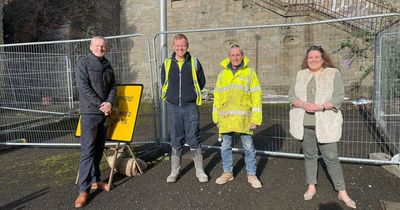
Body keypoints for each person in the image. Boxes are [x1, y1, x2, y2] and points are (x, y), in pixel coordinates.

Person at [288, 45, 356, 209]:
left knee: (331, 158)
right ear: (306, 59)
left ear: (323, 59)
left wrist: (322, 107)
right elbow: (292, 96)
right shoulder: (300, 74)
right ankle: (311, 185)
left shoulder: (333, 73)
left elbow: (339, 97)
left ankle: (342, 191)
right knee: (310, 156)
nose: (313, 60)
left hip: (326, 124)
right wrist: (303, 104)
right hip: (304, 124)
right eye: (310, 57)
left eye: (316, 57)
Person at [212, 44, 263, 189]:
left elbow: (256, 96)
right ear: (229, 57)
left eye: (238, 55)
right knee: (225, 147)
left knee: (248, 147)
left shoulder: (250, 73)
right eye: (232, 55)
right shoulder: (222, 75)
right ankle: (228, 172)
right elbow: (217, 97)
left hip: (244, 119)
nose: (235, 57)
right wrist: (216, 118)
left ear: (242, 56)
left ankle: (252, 175)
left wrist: (256, 118)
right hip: (226, 119)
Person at [74, 36, 116, 208]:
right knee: (87, 152)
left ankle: (95, 180)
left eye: (103, 46)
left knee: (99, 149)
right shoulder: (83, 63)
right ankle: (83, 191)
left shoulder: (107, 64)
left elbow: (113, 86)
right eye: (97, 45)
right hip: (90, 113)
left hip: (104, 114)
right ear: (91, 47)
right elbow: (84, 88)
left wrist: (110, 103)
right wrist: (101, 104)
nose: (100, 48)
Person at [161, 34, 208, 183]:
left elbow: (201, 81)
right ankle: (174, 171)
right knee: (176, 138)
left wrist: (191, 95)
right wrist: (172, 96)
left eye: (183, 45)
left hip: (190, 106)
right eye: (178, 45)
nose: (180, 48)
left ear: (187, 46)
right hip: (173, 107)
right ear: (173, 47)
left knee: (194, 137)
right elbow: (164, 81)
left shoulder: (194, 62)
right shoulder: (167, 63)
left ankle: (200, 171)